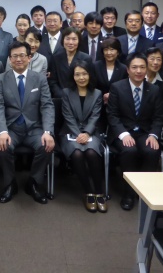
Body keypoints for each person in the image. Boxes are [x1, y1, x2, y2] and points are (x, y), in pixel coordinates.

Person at [0, 41, 55, 204]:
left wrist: (48, 132)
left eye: (22, 55)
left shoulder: (39, 79)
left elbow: (47, 105)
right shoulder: (0, 79)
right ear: (9, 59)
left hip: (34, 128)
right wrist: (2, 131)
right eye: (14, 56)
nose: (18, 59)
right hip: (10, 128)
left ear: (29, 57)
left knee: (46, 145)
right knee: (2, 146)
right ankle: (9, 183)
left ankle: (34, 182)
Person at [107, 53, 163, 211]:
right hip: (123, 131)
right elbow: (112, 115)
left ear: (146, 69)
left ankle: (144, 192)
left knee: (152, 150)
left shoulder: (154, 90)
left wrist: (154, 135)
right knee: (129, 150)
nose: (138, 71)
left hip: (145, 132)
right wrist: (124, 134)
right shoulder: (117, 87)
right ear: (128, 70)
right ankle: (129, 194)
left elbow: (159, 117)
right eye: (134, 67)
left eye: (142, 67)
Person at [60, 59, 107, 212]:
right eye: (77, 74)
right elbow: (68, 116)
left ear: (90, 75)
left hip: (91, 131)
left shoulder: (97, 93)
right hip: (70, 131)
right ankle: (88, 192)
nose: (81, 78)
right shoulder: (66, 92)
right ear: (73, 76)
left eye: (84, 74)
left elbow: (95, 116)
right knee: (77, 154)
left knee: (92, 152)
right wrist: (78, 134)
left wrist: (86, 132)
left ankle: (99, 191)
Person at [48, 27, 90, 99]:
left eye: (74, 39)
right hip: (60, 98)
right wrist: (62, 95)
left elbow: (89, 80)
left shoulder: (86, 58)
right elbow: (52, 81)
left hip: (80, 97)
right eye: (67, 39)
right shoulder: (56, 58)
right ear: (63, 40)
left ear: (79, 41)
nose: (70, 42)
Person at [92, 37, 128, 116]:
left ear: (118, 52)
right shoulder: (95, 66)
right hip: (97, 106)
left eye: (112, 49)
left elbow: (125, 88)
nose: (109, 53)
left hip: (117, 107)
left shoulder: (123, 68)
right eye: (106, 49)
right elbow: (92, 86)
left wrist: (111, 96)